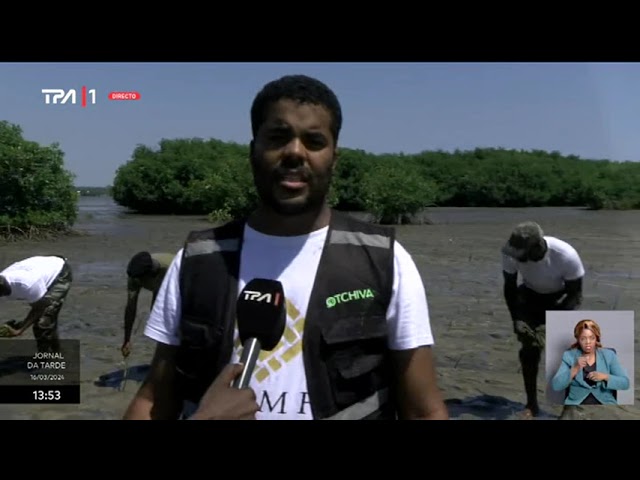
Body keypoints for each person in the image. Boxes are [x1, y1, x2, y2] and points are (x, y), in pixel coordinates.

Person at [123, 74, 449, 420]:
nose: (295, 152)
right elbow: (153, 400)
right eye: (278, 138)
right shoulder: (199, 260)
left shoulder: (384, 260)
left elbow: (424, 410)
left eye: (314, 141)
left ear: (335, 158)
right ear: (253, 151)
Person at [501, 221, 585, 418]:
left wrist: (556, 321)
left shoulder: (565, 255)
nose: (516, 258)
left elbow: (576, 295)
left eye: (521, 254)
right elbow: (510, 288)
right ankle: (531, 404)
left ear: (536, 248)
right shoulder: (511, 252)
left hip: (562, 298)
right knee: (529, 350)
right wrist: (516, 320)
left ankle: (569, 407)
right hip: (529, 297)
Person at [0, 255, 72, 352]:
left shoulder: (26, 285)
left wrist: (20, 329)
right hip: (39, 269)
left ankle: (45, 358)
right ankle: (56, 351)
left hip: (59, 273)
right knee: (48, 318)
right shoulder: (4, 281)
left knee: (43, 322)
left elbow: (40, 308)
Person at [551, 319, 629, 405]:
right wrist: (575, 368)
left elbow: (625, 383)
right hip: (576, 405)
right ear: (578, 339)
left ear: (597, 338)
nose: (588, 342)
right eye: (583, 339)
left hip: (605, 405)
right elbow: (556, 386)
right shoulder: (569, 356)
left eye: (592, 338)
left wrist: (605, 376)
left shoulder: (609, 355)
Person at [121, 251, 175, 357]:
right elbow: (131, 308)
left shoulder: (170, 268)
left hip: (181, 280)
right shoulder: (134, 275)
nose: (137, 281)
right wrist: (127, 340)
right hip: (159, 283)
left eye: (140, 279)